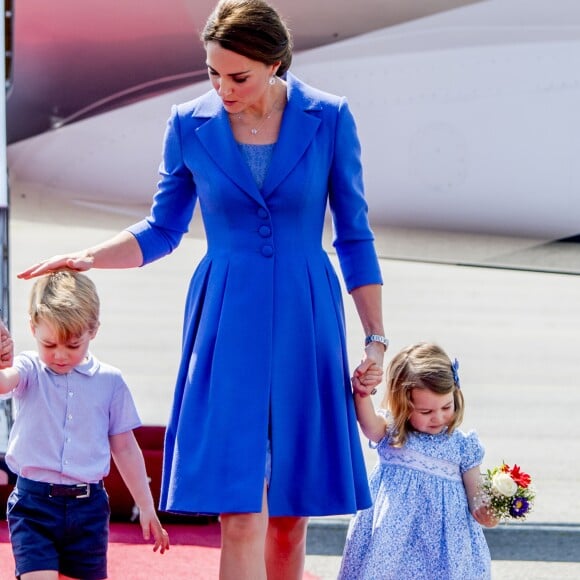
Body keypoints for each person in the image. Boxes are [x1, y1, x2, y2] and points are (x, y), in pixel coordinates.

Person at [17, 0, 386, 577]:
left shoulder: (330, 117)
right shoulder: (189, 123)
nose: (224, 88)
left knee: (289, 522)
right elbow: (163, 229)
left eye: (238, 76)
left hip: (306, 317)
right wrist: (89, 256)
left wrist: (375, 339)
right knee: (239, 513)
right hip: (226, 319)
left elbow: (355, 236)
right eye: (213, 73)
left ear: (276, 63)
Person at [0, 271, 169, 580]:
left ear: (93, 331)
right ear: (32, 327)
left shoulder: (110, 382)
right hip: (33, 505)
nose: (60, 355)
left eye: (73, 345)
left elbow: (126, 448)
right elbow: (2, 382)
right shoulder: (28, 368)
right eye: (49, 344)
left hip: (88, 510)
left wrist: (146, 505)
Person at [339, 342, 498, 580]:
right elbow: (369, 426)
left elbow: (475, 489)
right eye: (426, 412)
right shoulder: (393, 434)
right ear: (403, 405)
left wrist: (484, 509)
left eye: (447, 406)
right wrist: (362, 394)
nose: (439, 417)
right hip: (392, 543)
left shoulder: (463, 447)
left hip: (444, 547)